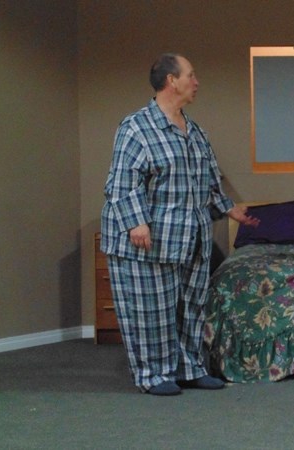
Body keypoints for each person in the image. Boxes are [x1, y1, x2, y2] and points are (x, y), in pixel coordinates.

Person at [101, 53, 260, 395]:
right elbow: (121, 183)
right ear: (171, 81)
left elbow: (206, 181)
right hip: (149, 240)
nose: (196, 81)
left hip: (191, 238)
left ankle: (189, 367)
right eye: (191, 74)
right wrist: (136, 223)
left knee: (190, 309)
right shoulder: (137, 127)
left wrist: (229, 209)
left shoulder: (195, 131)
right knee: (151, 311)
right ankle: (153, 375)